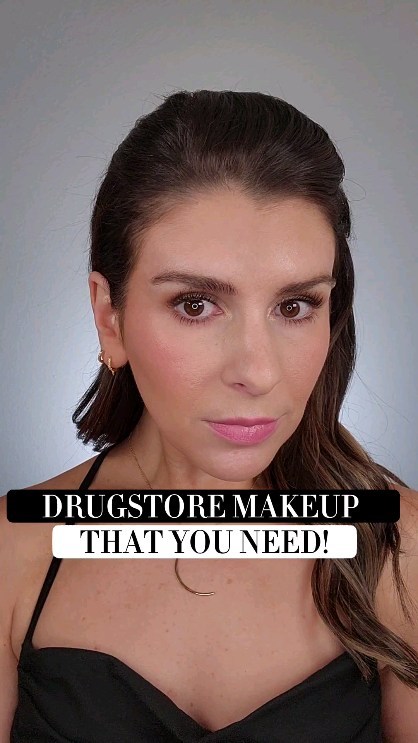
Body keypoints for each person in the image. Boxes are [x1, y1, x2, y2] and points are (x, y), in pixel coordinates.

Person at [1, 89, 417, 742]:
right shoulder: (13, 555)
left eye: (295, 306)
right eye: (195, 304)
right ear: (110, 317)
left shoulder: (400, 547)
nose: (258, 371)